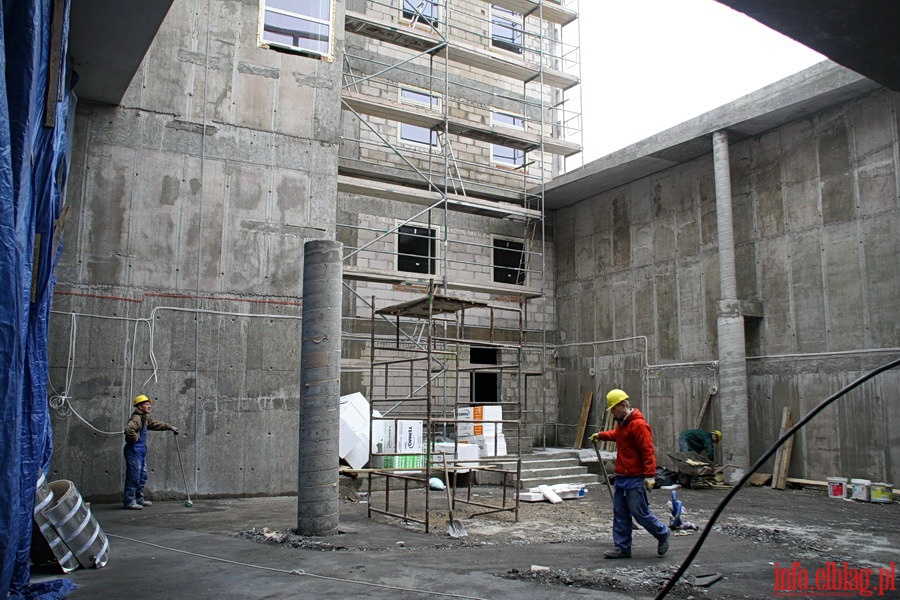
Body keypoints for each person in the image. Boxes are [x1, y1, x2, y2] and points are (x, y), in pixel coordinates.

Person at [589, 389, 669, 559]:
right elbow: (617, 436)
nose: (612, 413)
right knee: (620, 513)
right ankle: (622, 548)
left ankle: (662, 533)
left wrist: (649, 476)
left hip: (635, 477)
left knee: (639, 512)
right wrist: (600, 436)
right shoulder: (622, 424)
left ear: (623, 405)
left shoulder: (639, 425)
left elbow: (647, 451)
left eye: (613, 409)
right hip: (622, 477)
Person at [123, 394, 179, 510]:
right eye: (147, 404)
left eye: (149, 404)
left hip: (141, 451)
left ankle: (139, 499)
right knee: (134, 476)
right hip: (134, 451)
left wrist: (169, 427)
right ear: (139, 406)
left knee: (142, 476)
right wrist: (134, 438)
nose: (149, 406)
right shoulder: (137, 418)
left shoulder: (144, 418)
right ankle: (130, 501)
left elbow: (155, 424)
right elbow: (129, 429)